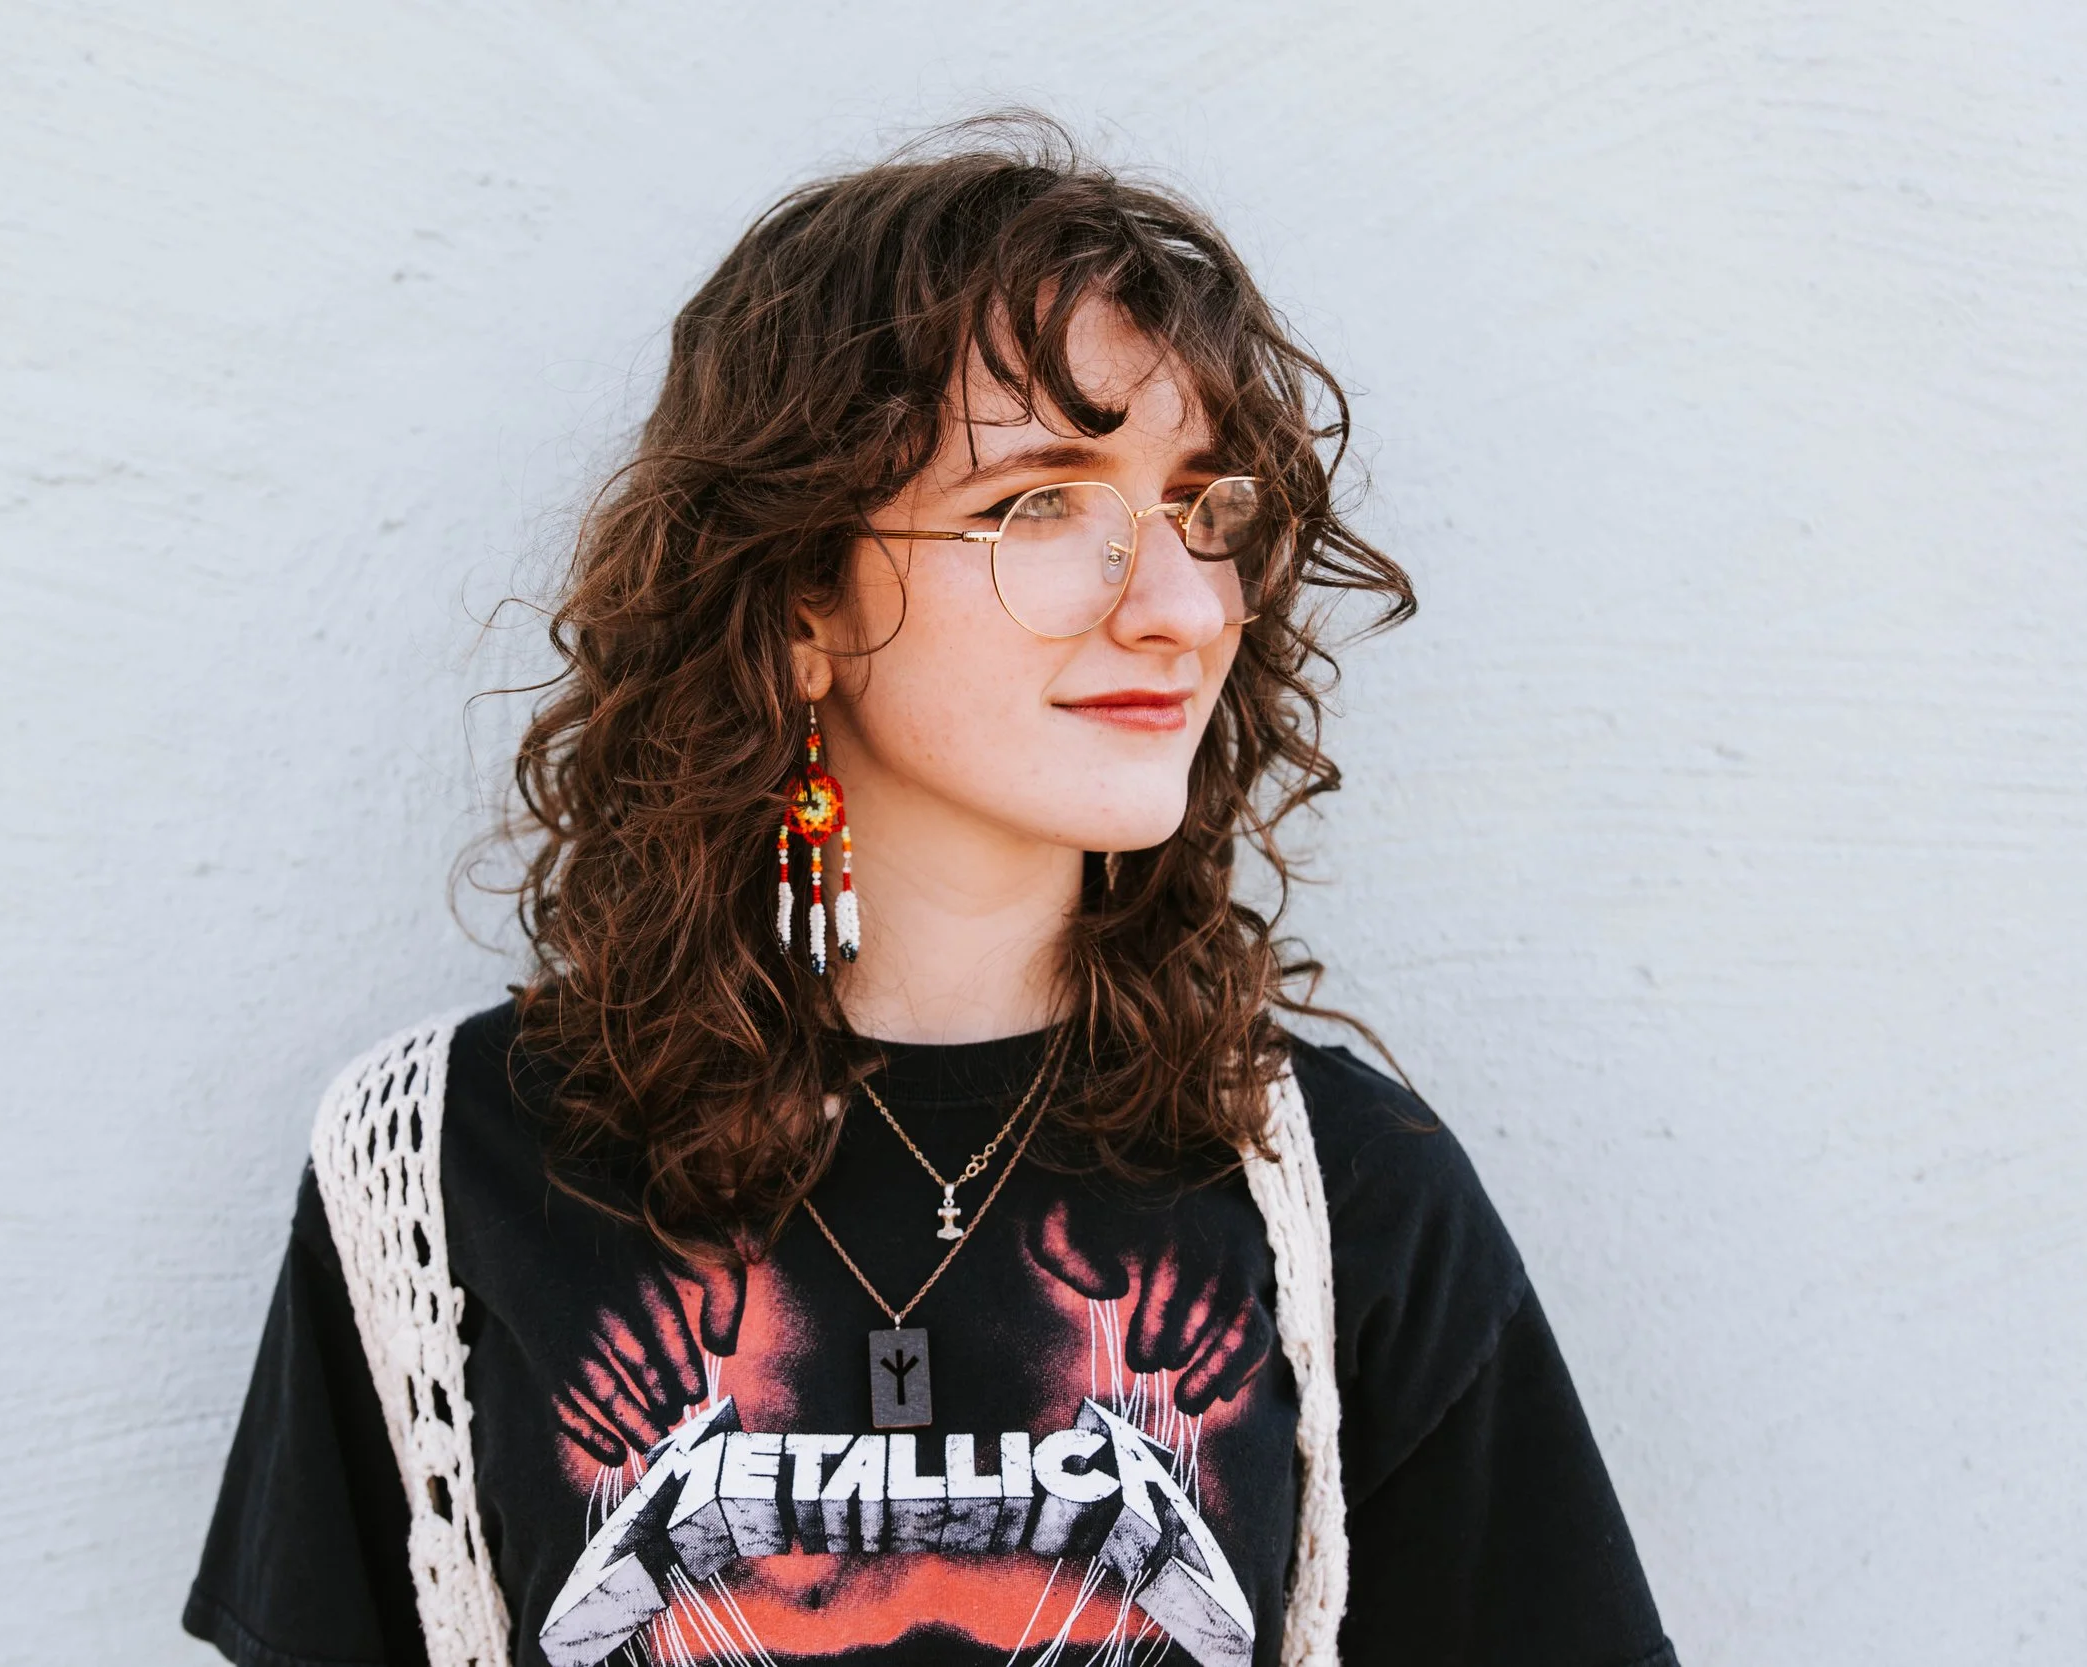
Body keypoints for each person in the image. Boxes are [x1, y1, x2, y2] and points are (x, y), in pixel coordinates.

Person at [183, 117, 1677, 1667]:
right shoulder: (439, 1174)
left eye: (1202, 507)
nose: (1176, 607)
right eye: (1046, 505)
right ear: (805, 598)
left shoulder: (1340, 1201)